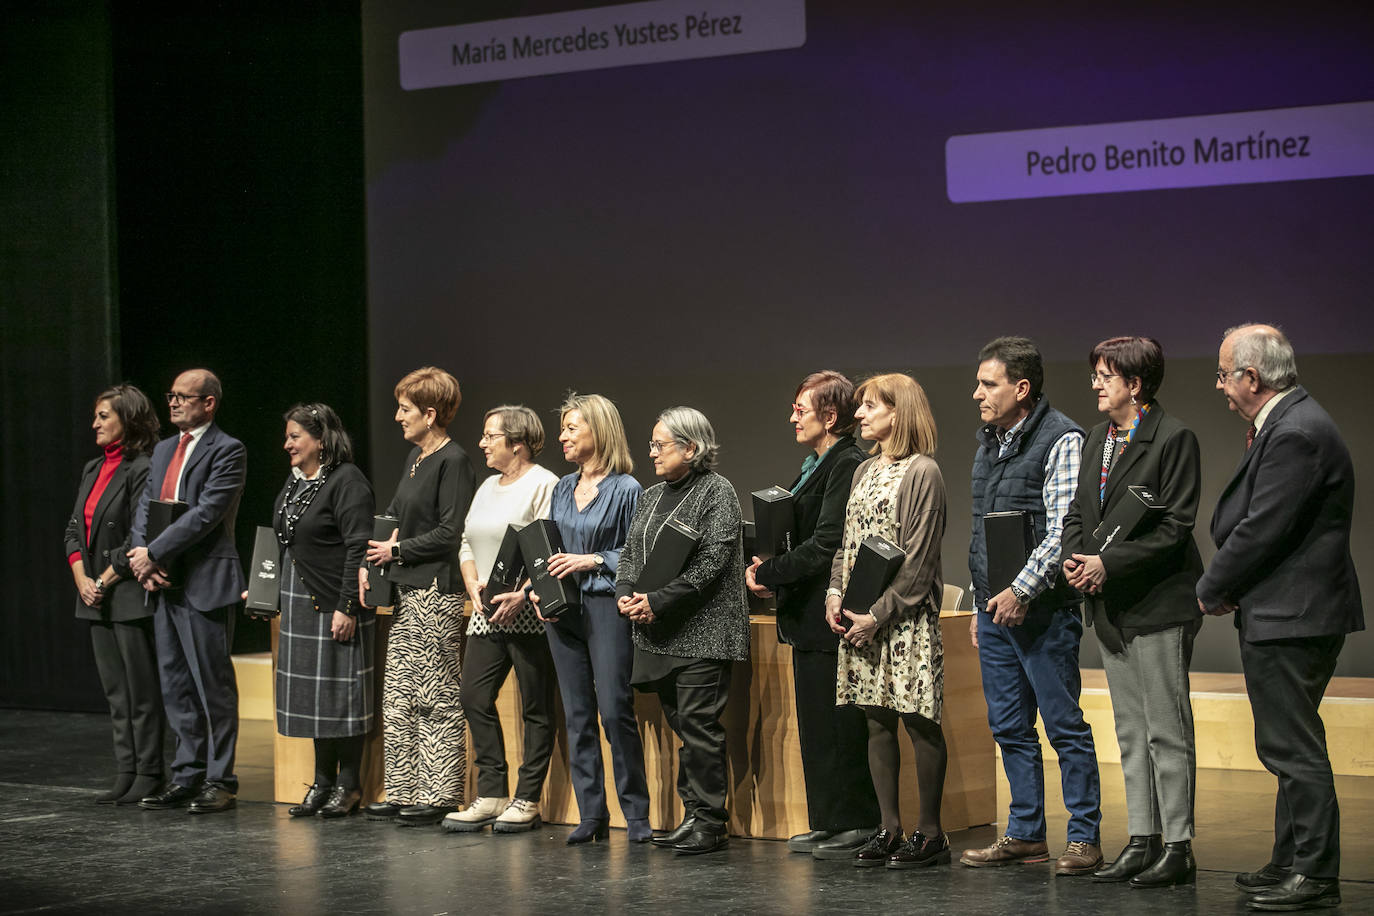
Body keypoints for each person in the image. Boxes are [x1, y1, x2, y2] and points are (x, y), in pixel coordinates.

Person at [1197, 324, 1363, 912]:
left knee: (1293, 746)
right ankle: (1290, 860)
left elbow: (1262, 529)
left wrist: (1211, 588)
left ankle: (1315, 874)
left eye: (1223, 374)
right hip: (1286, 612)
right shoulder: (1291, 423)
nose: (1218, 384)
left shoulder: (1296, 432)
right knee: (1285, 742)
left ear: (1251, 376)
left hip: (1294, 615)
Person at [1061, 337, 1204, 887]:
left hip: (1157, 602)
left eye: (1105, 375)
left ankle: (1178, 845)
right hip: (1110, 605)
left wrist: (1109, 564)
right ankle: (1142, 839)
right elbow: (1079, 510)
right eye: (1096, 373)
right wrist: (1080, 558)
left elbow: (1175, 527)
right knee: (1130, 729)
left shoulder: (1174, 438)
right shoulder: (1098, 437)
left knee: (1166, 730)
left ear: (1134, 384)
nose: (1096, 383)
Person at [961, 337, 1103, 874]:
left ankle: (1084, 837)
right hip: (994, 612)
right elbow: (982, 534)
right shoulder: (989, 444)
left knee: (1064, 724)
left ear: (1021, 389)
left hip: (1042, 611)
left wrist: (1021, 591)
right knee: (1009, 727)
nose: (977, 393)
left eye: (988, 383)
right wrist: (982, 604)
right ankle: (1025, 833)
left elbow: (1062, 530)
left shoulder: (1062, 438)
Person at [745, 371, 881, 860]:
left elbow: (827, 544)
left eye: (801, 410)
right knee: (817, 725)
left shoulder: (844, 462)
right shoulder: (815, 463)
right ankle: (827, 821)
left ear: (830, 416)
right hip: (805, 618)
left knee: (840, 724)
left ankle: (857, 821)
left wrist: (772, 570)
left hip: (830, 614)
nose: (792, 418)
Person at [822, 374, 949, 870]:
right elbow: (847, 544)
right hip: (860, 618)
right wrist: (836, 594)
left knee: (919, 722)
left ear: (899, 413)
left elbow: (920, 562)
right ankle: (889, 827)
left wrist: (877, 615)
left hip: (903, 620)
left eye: (871, 406)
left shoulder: (924, 472)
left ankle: (932, 833)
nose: (861, 415)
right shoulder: (863, 471)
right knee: (876, 721)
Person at [618, 407, 748, 856]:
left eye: (660, 444)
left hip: (704, 633)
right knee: (682, 728)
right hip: (660, 634)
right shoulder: (651, 496)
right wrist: (625, 593)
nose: (651, 452)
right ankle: (693, 814)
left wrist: (656, 601)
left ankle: (711, 822)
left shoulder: (717, 491)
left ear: (690, 448)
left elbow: (712, 562)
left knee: (699, 727)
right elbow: (631, 555)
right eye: (651, 444)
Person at [359, 367, 476, 827]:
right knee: (400, 694)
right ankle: (404, 788)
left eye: (405, 409)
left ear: (430, 413)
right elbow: (394, 519)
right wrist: (374, 565)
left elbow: (451, 531)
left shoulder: (454, 460)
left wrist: (398, 550)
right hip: (408, 591)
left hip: (435, 591)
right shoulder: (416, 458)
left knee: (436, 693)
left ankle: (440, 792)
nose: (396, 417)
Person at [129, 368, 246, 814]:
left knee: (211, 685)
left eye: (184, 396)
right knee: (176, 684)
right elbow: (146, 507)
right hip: (162, 582)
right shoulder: (162, 450)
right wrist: (141, 556)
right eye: (171, 395)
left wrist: (152, 553)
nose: (174, 403)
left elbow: (206, 514)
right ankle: (187, 775)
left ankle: (220, 779)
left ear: (208, 403)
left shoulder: (227, 450)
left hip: (204, 580)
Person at [534, 393, 650, 844]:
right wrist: (532, 586)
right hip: (561, 610)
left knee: (614, 710)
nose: (562, 436)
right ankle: (592, 815)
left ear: (598, 430)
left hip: (605, 607)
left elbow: (638, 554)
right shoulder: (562, 487)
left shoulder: (626, 489)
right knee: (578, 713)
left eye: (571, 428)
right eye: (562, 428)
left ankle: (636, 816)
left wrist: (592, 560)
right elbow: (549, 548)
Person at [443, 406, 559, 834]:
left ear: (517, 442)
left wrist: (524, 591)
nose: (482, 443)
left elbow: (546, 546)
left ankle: (526, 798)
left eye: (490, 435)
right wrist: (473, 584)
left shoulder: (543, 483)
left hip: (527, 611)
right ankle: (491, 792)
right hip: (486, 612)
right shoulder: (488, 485)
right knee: (473, 696)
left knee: (535, 707)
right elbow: (467, 542)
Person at [272, 404, 376, 819]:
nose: (287, 445)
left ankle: (349, 786)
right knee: (317, 701)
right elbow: (285, 541)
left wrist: (346, 605)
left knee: (339, 695)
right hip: (300, 601)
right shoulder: (298, 482)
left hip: (334, 600)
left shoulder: (347, 481)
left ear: (320, 439)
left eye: (295, 436)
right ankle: (322, 782)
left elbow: (358, 547)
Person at [65, 384, 165, 805]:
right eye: (96, 416)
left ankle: (150, 771)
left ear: (129, 419)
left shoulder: (142, 467)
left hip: (123, 594)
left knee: (141, 691)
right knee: (115, 692)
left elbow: (135, 539)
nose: (96, 424)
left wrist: (102, 580)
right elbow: (73, 529)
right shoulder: (92, 468)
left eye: (104, 415)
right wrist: (82, 581)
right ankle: (125, 770)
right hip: (93, 595)